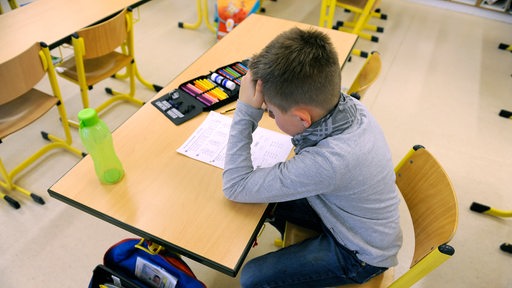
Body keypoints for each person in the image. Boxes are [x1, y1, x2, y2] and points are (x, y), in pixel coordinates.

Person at [222, 27, 402, 288]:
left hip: (359, 253)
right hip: (342, 211)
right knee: (264, 200)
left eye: (270, 112)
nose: (268, 115)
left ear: (302, 118)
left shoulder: (330, 162)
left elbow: (234, 185)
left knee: (253, 278)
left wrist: (246, 112)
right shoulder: (348, 107)